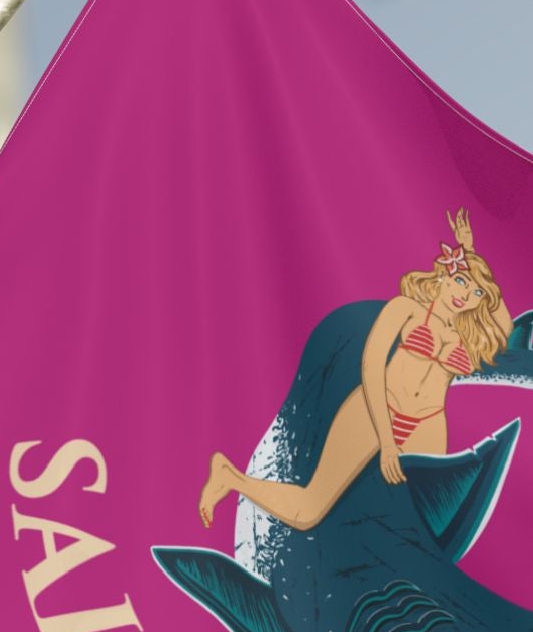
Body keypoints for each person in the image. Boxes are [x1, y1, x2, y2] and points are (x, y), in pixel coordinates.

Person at [198, 208, 515, 531]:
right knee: (310, 511)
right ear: (444, 274)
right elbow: (373, 365)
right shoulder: (405, 309)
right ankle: (231, 477)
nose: (465, 294)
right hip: (375, 406)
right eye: (461, 280)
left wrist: (473, 256)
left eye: (476, 292)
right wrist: (387, 441)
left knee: (417, 528)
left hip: (428, 424)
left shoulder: (469, 336)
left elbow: (504, 324)